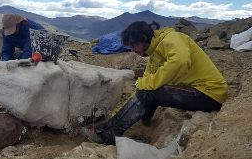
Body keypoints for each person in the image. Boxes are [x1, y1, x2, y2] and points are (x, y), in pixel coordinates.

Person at [80, 21, 228, 144]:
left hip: (209, 93)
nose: (132, 50)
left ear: (143, 39)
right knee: (146, 90)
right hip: (197, 91)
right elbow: (145, 84)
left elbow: (181, 61)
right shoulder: (154, 54)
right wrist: (143, 87)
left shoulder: (172, 38)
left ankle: (108, 134)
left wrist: (147, 85)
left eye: (134, 45)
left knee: (149, 91)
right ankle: (138, 122)